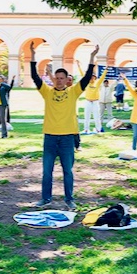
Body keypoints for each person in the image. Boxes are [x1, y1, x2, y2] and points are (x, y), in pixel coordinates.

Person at [31, 42, 98, 210]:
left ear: (67, 80)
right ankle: (46, 199)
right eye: (57, 78)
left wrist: (91, 57)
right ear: (53, 79)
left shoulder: (73, 92)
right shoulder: (47, 92)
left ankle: (69, 199)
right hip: (50, 137)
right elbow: (34, 76)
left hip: (67, 138)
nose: (59, 81)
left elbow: (87, 76)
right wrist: (33, 56)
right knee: (47, 172)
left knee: (68, 171)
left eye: (62, 78)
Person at [80, 65, 108, 134]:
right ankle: (86, 129)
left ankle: (98, 129)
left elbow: (102, 77)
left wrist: (106, 70)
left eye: (93, 77)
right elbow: (82, 75)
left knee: (97, 116)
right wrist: (79, 66)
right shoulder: (87, 82)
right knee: (87, 116)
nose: (91, 78)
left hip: (95, 101)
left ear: (95, 78)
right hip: (88, 101)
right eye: (90, 77)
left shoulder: (97, 83)